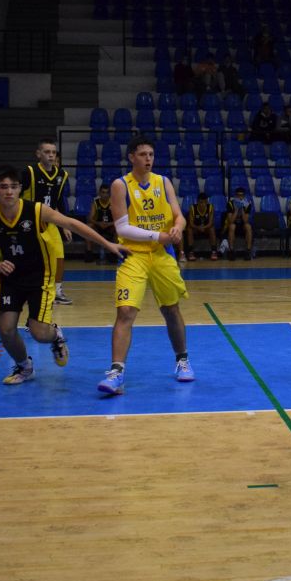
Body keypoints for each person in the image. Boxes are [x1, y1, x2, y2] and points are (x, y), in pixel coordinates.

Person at [0, 166, 128, 385]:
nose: (9, 191)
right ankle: (25, 366)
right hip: (10, 278)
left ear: (20, 189)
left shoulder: (36, 210)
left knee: (39, 333)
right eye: (3, 187)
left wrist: (107, 244)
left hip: (39, 277)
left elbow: (72, 224)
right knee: (7, 331)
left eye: (13, 186)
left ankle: (56, 335)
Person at [98, 137, 194, 395]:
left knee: (171, 310)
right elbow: (122, 228)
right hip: (133, 255)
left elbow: (179, 215)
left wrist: (177, 227)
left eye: (151, 154)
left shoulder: (163, 182)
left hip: (162, 255)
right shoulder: (120, 185)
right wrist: (157, 235)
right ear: (132, 157)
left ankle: (182, 360)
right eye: (142, 154)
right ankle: (116, 372)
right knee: (125, 311)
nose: (148, 159)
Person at [21, 139, 73, 304]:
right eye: (47, 152)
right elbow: (16, 196)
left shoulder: (61, 175)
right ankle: (24, 289)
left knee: (59, 255)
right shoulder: (29, 172)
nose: (51, 155)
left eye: (53, 152)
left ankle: (57, 291)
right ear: (38, 154)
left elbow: (58, 202)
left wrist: (64, 224)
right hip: (29, 221)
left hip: (49, 221)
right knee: (29, 257)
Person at [84, 183, 115, 263]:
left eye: (107, 192)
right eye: (103, 192)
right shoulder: (95, 203)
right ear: (100, 193)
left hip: (110, 227)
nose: (105, 195)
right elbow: (90, 218)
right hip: (98, 227)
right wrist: (99, 223)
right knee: (88, 227)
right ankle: (89, 253)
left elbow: (118, 219)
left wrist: (109, 224)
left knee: (119, 228)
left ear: (109, 194)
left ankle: (114, 253)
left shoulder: (113, 203)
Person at [185, 192, 219, 261]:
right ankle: (191, 252)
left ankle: (214, 252)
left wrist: (203, 227)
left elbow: (211, 222)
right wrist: (198, 228)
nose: (202, 204)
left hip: (206, 228)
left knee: (212, 228)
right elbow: (191, 223)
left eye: (204, 202)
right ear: (197, 202)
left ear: (207, 202)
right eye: (200, 202)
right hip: (196, 228)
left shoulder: (210, 207)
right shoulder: (192, 208)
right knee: (189, 229)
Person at [224, 187, 255, 260]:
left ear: (244, 196)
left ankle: (248, 251)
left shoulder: (247, 204)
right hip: (234, 224)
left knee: (248, 226)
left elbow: (245, 220)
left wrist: (242, 209)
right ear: (235, 196)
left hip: (242, 225)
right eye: (238, 195)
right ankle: (231, 251)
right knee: (232, 226)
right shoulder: (230, 204)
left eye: (241, 195)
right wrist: (236, 210)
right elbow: (231, 221)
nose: (240, 197)